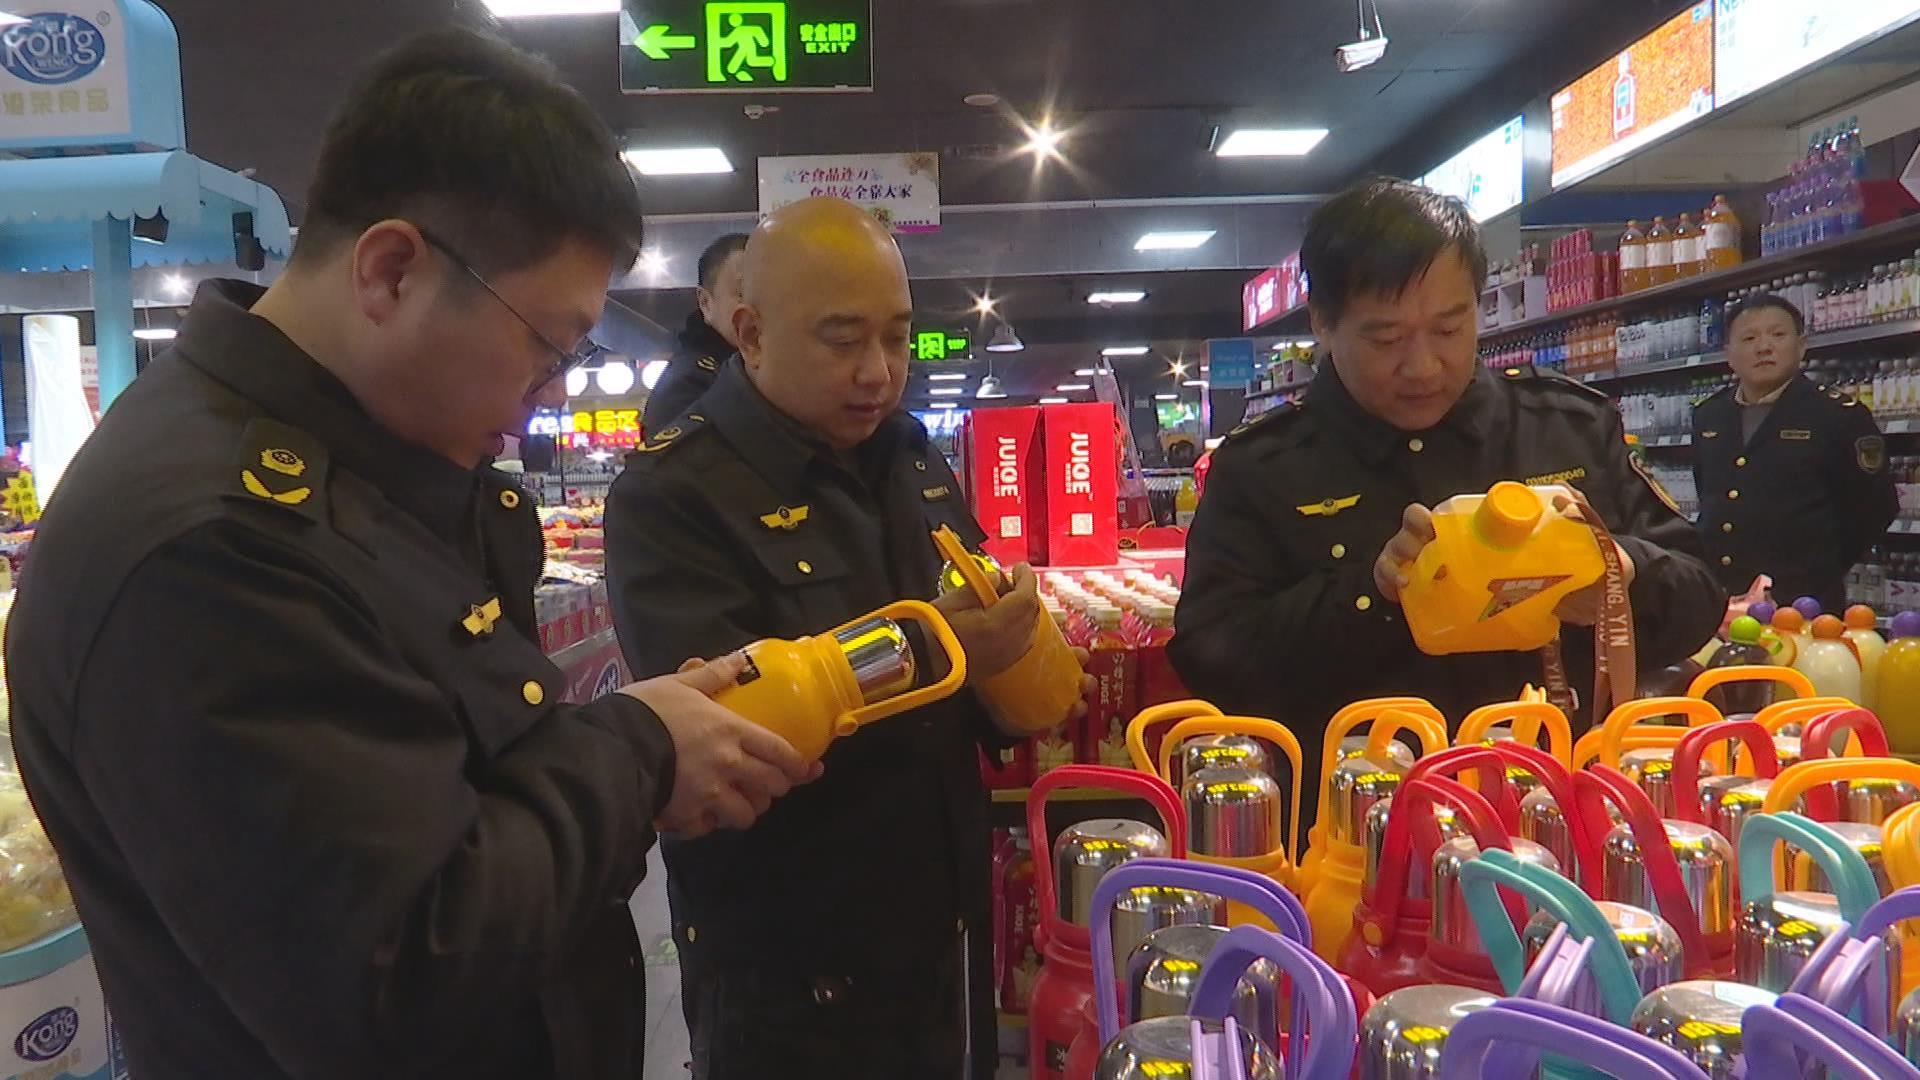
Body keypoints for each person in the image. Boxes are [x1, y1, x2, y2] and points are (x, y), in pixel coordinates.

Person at [5, 30, 815, 1079]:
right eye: (547, 347)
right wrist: (636, 754)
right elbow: (398, 972)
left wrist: (633, 740)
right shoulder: (209, 547)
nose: (548, 397)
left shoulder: (373, 471)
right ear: (391, 270)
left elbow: (452, 791)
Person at [606, 197, 1077, 1079]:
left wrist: (1011, 644)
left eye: (898, 338)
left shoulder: (910, 455)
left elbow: (969, 630)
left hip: (938, 930)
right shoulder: (674, 495)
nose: (879, 372)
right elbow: (727, 741)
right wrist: (943, 653)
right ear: (750, 334)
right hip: (791, 967)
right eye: (843, 340)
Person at [1171, 178, 1724, 825]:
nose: (1424, 366)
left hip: (1557, 818)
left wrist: (1620, 572)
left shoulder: (1565, 426)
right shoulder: (1264, 467)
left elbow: (1702, 597)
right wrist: (1372, 596)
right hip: (1355, 831)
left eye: (1449, 328)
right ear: (1322, 322)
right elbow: (1211, 659)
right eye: (1386, 339)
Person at [1692, 293, 1897, 613]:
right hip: (1722, 601)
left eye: (1777, 334)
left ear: (1801, 346)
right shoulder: (1709, 415)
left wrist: (1816, 569)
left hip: (1802, 604)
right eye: (1749, 338)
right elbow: (1708, 492)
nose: (1764, 347)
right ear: (1728, 355)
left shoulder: (1838, 415)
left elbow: (1875, 508)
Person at [644, 233, 748, 429]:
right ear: (706, 303)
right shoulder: (687, 389)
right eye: (743, 293)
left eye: (767, 292)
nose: (758, 304)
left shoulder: (772, 370)